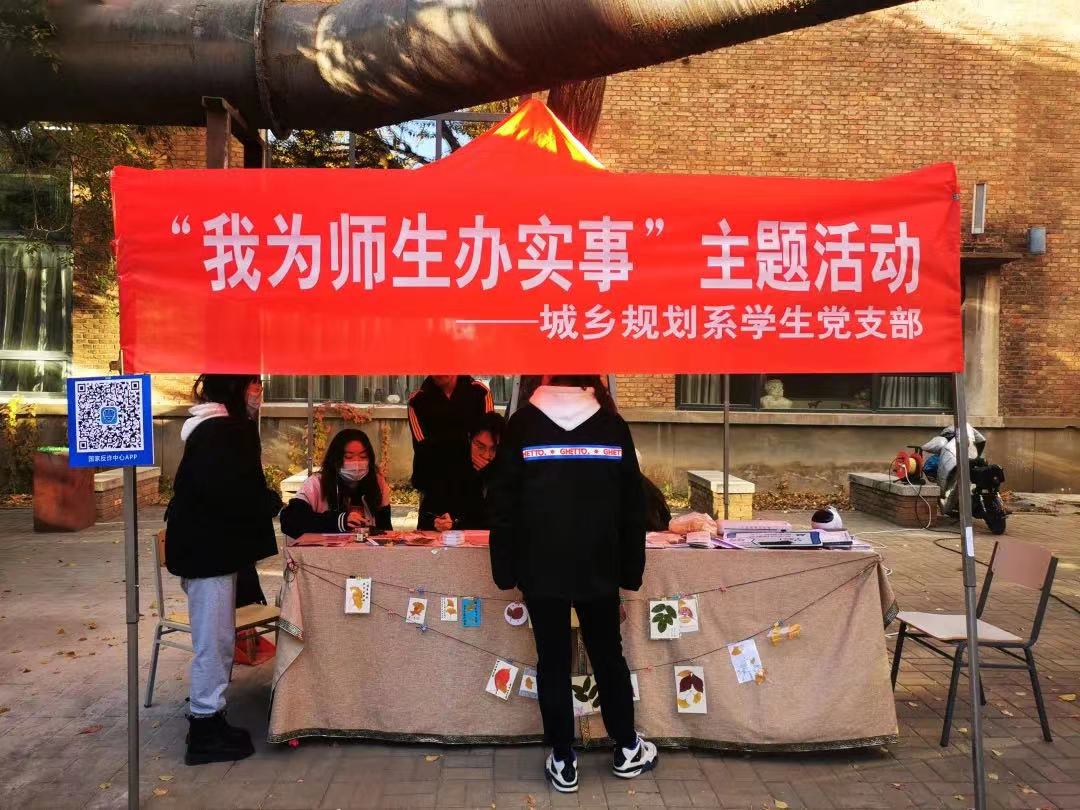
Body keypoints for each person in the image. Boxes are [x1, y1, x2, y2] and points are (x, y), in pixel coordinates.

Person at [488, 375, 657, 793]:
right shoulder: (611, 426)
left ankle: (563, 759)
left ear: (542, 375)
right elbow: (633, 506)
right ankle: (627, 747)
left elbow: (502, 503)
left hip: (540, 569)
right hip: (599, 567)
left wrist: (506, 570)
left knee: (552, 661)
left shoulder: (523, 425)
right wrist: (630, 569)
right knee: (608, 657)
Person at [164, 374, 282, 766]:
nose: (258, 392)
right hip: (207, 553)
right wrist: (266, 501)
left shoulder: (217, 427)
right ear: (233, 387)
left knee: (220, 638)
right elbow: (228, 491)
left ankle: (212, 717)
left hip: (210, 550)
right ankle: (204, 727)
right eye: (252, 383)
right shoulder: (222, 431)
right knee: (213, 642)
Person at [408, 374, 494, 529]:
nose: (440, 371)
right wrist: (467, 448)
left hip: (474, 487)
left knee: (475, 538)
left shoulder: (479, 392)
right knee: (431, 539)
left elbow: (489, 437)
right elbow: (423, 449)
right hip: (435, 488)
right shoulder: (418, 401)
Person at [279, 428, 392, 538]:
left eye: (363, 456)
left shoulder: (377, 483)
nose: (357, 463)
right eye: (348, 457)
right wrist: (339, 521)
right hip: (325, 549)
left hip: (367, 549)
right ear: (335, 459)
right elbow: (290, 521)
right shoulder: (316, 484)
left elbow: (385, 529)